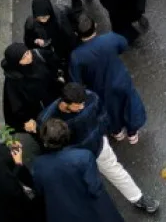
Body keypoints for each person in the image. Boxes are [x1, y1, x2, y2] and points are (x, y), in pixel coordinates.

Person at [31, 118, 137, 222]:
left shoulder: (39, 165)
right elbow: (94, 186)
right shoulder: (82, 156)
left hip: (59, 208)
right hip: (86, 203)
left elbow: (39, 189)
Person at [37, 83, 159, 213]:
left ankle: (138, 198)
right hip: (76, 158)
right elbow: (51, 145)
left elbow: (103, 115)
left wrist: (100, 132)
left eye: (83, 103)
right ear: (65, 102)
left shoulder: (91, 97)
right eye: (78, 105)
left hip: (98, 146)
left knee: (115, 171)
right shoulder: (47, 119)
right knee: (84, 186)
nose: (82, 106)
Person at [70, 15, 147, 143]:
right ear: (95, 26)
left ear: (77, 33)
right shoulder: (110, 38)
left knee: (109, 110)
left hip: (99, 88)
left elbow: (76, 80)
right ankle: (132, 133)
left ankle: (117, 132)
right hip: (120, 80)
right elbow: (123, 45)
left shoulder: (76, 56)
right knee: (129, 105)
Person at [2, 42, 62, 132]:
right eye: (23, 58)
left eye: (27, 53)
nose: (29, 57)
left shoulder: (36, 56)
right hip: (38, 111)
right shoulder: (13, 81)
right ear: (16, 62)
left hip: (52, 98)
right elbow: (16, 106)